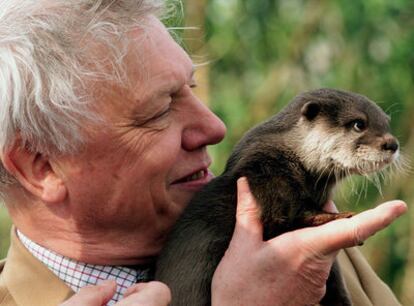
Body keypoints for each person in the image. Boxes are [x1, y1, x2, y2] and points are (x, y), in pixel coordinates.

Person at [0, 0, 407, 305]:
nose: (214, 128)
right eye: (159, 111)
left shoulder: (307, 253)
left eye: (190, 89)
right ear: (42, 167)